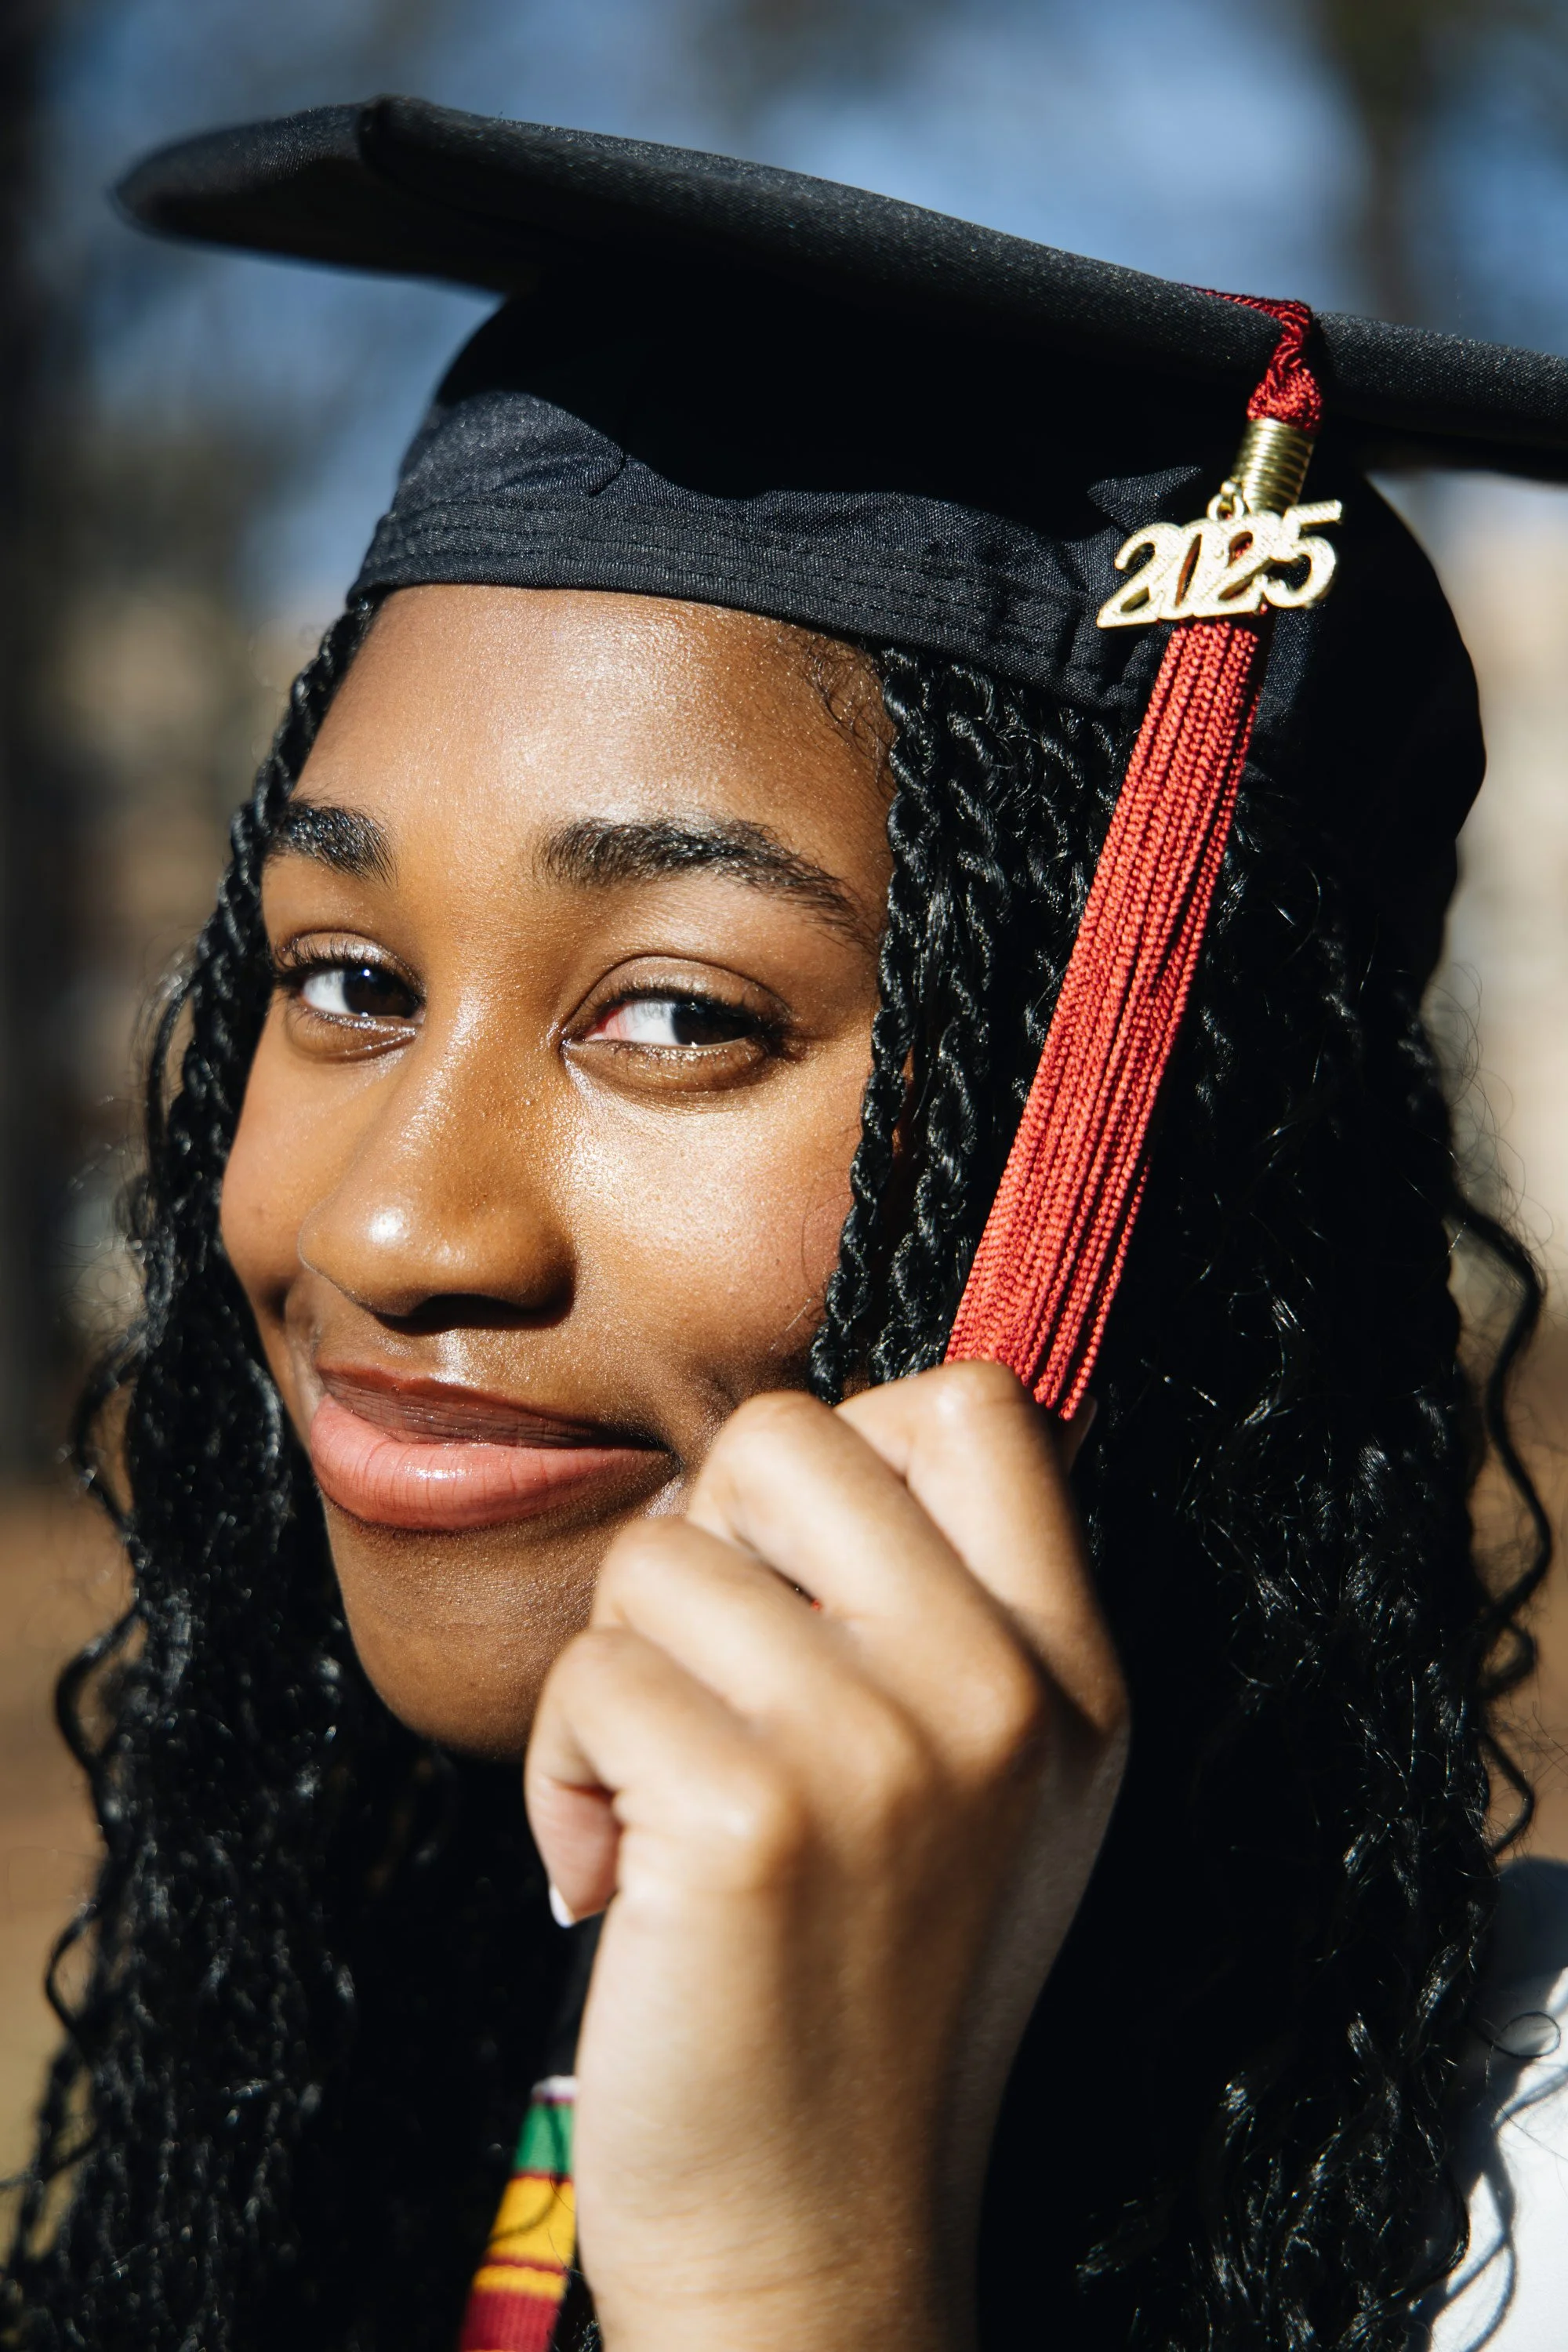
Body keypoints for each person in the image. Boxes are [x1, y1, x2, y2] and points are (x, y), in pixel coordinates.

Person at [3, 96, 1566, 2352]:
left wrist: (789, 2278)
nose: (395, 1225)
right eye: (343, 981)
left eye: (674, 1016)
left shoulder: (1507, 2214)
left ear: (1161, 1158)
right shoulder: (341, 2060)